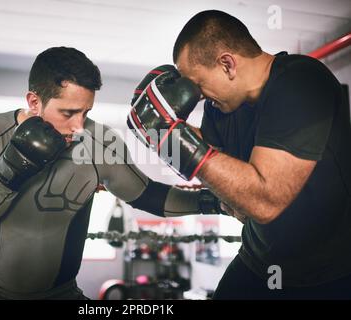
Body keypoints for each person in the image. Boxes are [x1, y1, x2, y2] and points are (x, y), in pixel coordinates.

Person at [0, 46, 227, 300]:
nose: (79, 126)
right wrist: (12, 167)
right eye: (68, 112)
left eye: (86, 112)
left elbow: (147, 195)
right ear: (34, 102)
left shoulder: (100, 141)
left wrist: (216, 201)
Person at [129, 10, 351, 299]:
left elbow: (263, 201)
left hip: (327, 275)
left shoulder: (300, 82)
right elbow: (230, 194)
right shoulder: (219, 109)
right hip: (257, 262)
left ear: (227, 64)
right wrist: (162, 138)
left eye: (197, 84)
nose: (198, 96)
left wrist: (176, 139)